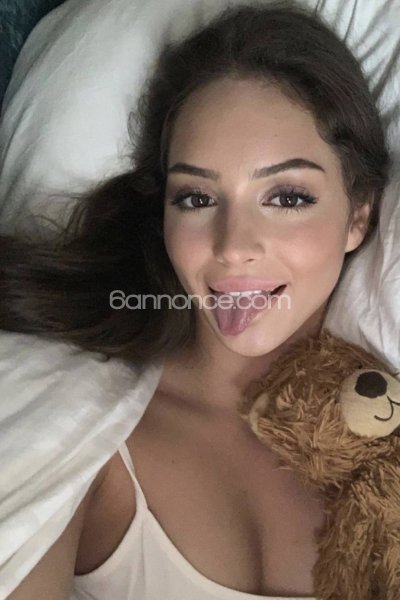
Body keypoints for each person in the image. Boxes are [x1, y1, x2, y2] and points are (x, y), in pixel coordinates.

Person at [4, 1, 390, 598]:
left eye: (287, 197)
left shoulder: (380, 437)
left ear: (358, 216)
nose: (233, 248)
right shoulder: (87, 441)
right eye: (197, 198)